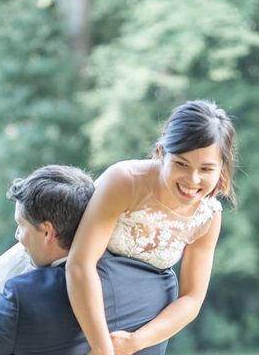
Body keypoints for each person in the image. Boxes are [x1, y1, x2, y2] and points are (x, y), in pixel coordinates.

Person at [0, 164, 178, 355]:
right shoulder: (157, 279)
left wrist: (10, 264)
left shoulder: (25, 295)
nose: (18, 237)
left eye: (21, 227)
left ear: (47, 231)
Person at [66, 99, 237, 355]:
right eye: (181, 164)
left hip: (137, 332)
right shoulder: (125, 181)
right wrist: (103, 348)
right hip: (73, 305)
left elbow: (192, 298)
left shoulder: (209, 216)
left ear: (222, 167)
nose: (193, 180)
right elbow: (79, 264)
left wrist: (135, 342)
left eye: (206, 169)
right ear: (161, 153)